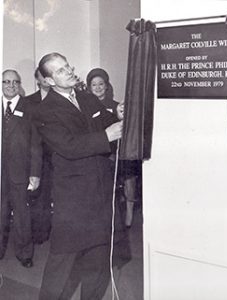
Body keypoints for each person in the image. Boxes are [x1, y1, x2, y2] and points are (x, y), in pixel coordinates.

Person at [34, 53, 130, 300]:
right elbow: (67, 146)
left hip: (100, 192)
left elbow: (106, 120)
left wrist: (117, 113)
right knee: (61, 263)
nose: (69, 71)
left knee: (99, 260)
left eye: (67, 66)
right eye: (60, 70)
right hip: (74, 199)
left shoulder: (86, 97)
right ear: (48, 81)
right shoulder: (45, 110)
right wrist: (105, 136)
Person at [86, 68, 142, 228]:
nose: (97, 88)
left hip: (119, 151)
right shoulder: (87, 108)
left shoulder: (117, 106)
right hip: (100, 152)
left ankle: (129, 211)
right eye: (94, 85)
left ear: (106, 86)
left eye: (101, 84)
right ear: (89, 87)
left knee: (129, 174)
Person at [0, 69, 42, 268]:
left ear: (20, 84)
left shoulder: (30, 109)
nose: (10, 85)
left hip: (21, 172)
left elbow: (36, 143)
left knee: (22, 215)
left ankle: (25, 253)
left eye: (14, 82)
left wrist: (35, 173)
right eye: (6, 81)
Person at [25, 68, 52, 245]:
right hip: (38, 155)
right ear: (37, 78)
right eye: (41, 76)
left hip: (59, 153)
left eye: (47, 75)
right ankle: (40, 234)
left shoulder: (61, 99)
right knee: (40, 196)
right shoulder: (28, 101)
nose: (44, 79)